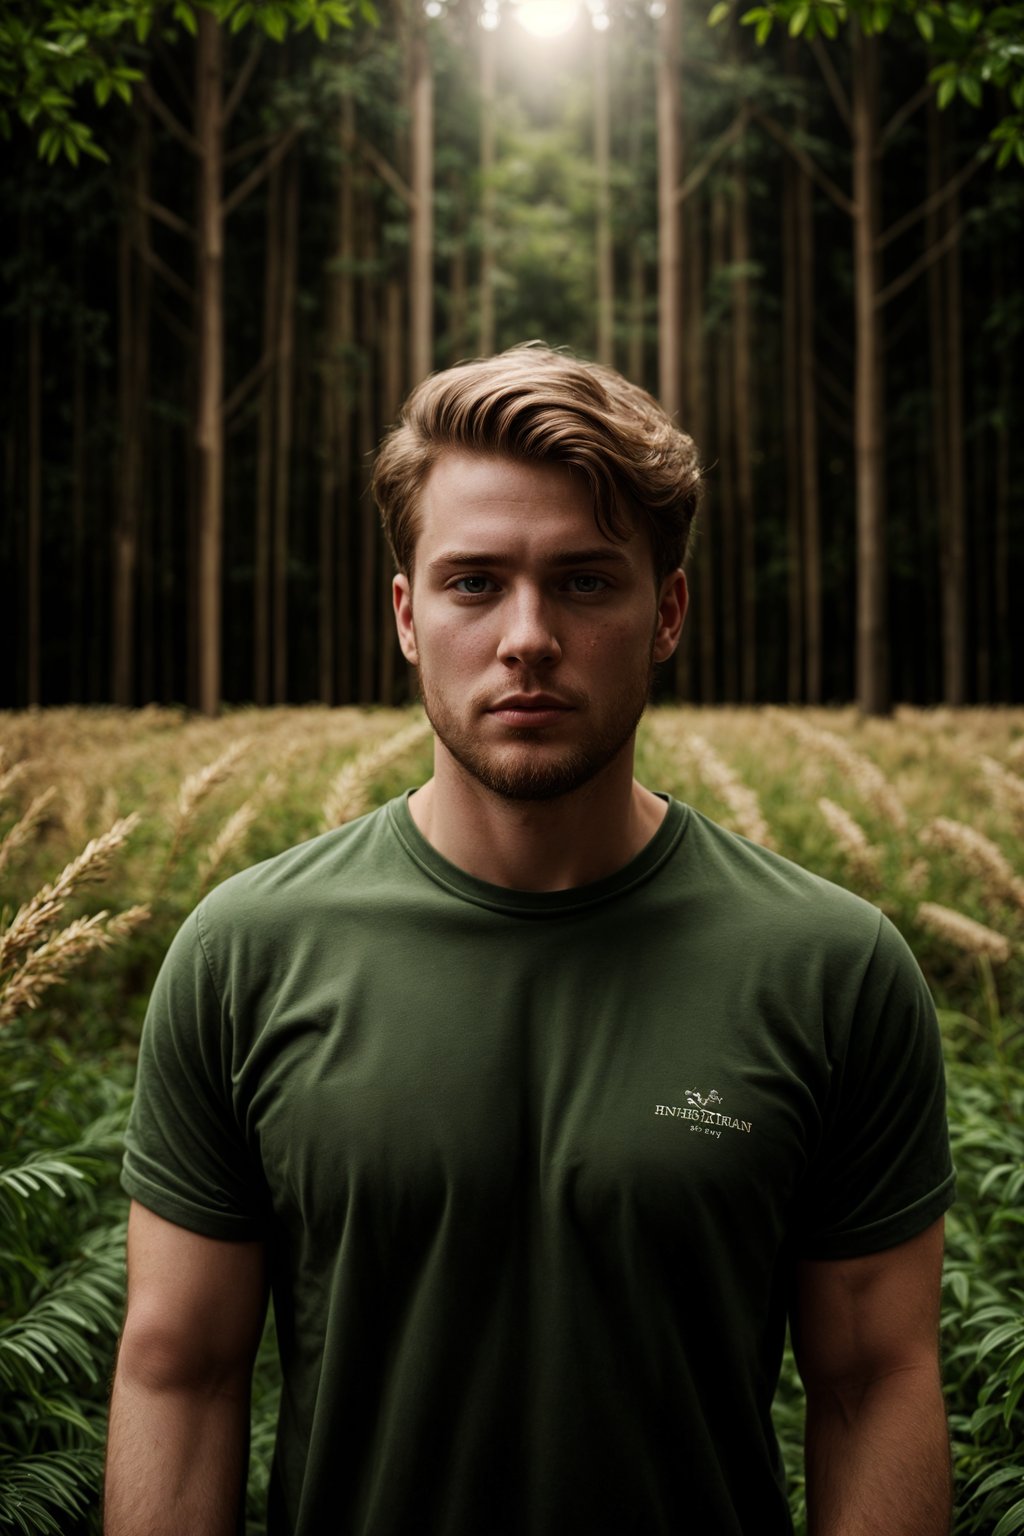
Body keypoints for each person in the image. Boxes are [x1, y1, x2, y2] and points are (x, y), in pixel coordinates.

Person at [105, 343, 955, 1536]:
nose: (526, 636)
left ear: (666, 611)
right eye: (472, 583)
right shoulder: (245, 956)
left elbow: (873, 1388)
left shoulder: (833, 969)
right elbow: (179, 1377)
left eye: (584, 582)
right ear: (406, 615)